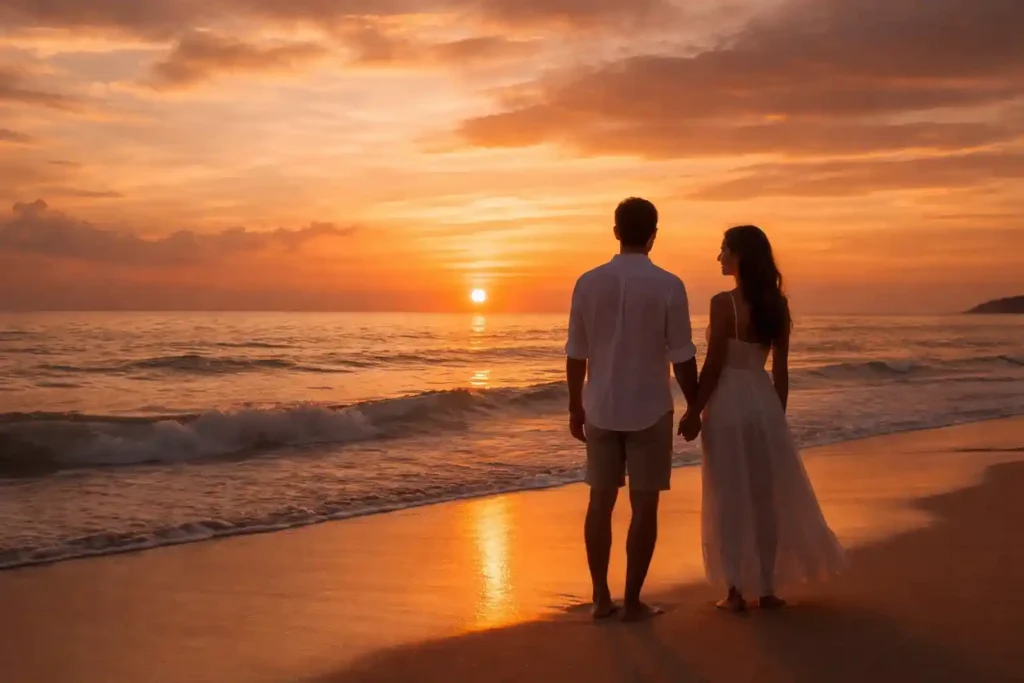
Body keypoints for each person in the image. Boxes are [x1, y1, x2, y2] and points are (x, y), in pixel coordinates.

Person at [679, 225, 845, 612]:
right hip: (763, 400)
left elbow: (714, 365)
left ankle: (735, 591)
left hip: (727, 402)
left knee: (728, 494)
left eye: (723, 249)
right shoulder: (777, 305)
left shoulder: (724, 303)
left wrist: (693, 411)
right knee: (764, 497)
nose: (719, 257)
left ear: (739, 254)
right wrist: (777, 418)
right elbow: (780, 371)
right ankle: (767, 588)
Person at [566, 197, 699, 622]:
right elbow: (682, 355)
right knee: (645, 508)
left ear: (616, 232)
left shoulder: (587, 282)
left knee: (599, 503)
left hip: (601, 406)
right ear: (653, 235)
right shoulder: (669, 285)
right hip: (650, 407)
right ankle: (633, 601)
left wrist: (575, 405)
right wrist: (695, 405)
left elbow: (576, 352)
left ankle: (601, 598)